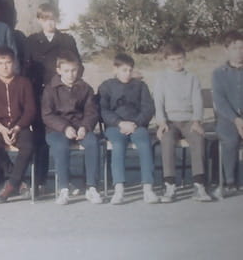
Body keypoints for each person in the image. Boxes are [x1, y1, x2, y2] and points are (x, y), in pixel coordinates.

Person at [23, 3, 80, 189]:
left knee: (63, 136)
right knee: (40, 138)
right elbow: (26, 70)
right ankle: (39, 181)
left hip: (62, 96)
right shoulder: (31, 41)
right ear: (39, 20)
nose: (49, 23)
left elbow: (78, 67)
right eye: (45, 19)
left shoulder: (67, 40)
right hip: (39, 95)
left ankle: (65, 180)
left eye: (53, 19)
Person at [154, 42, 212, 202]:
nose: (177, 63)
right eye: (172, 59)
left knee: (198, 138)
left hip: (188, 121)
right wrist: (161, 123)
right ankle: (170, 185)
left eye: (180, 58)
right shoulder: (162, 78)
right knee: (166, 140)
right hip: (170, 122)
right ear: (166, 60)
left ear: (185, 58)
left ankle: (199, 185)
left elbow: (197, 101)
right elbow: (158, 103)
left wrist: (197, 121)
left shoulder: (192, 78)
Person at [42, 51, 101, 206]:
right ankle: (64, 188)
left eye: (74, 70)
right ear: (59, 70)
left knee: (92, 142)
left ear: (78, 69)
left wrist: (85, 127)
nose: (71, 74)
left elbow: (91, 112)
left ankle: (91, 187)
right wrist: (64, 128)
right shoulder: (50, 89)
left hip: (80, 127)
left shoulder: (85, 88)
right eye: (66, 71)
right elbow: (47, 115)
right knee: (61, 146)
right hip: (56, 130)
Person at [98, 53, 158, 205]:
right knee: (118, 145)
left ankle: (148, 188)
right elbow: (103, 110)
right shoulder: (106, 86)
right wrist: (119, 123)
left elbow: (148, 109)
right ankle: (119, 189)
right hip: (115, 127)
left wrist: (135, 123)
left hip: (137, 125)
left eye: (130, 70)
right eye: (124, 70)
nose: (127, 73)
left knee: (144, 143)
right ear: (115, 69)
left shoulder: (140, 86)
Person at [0, 47, 36, 203]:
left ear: (14, 63)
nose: (5, 67)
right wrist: (2, 129)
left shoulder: (24, 83)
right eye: (1, 63)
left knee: (28, 146)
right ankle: (18, 181)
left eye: (8, 63)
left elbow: (30, 110)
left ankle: (10, 186)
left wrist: (18, 127)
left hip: (20, 126)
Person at [212, 30, 243, 199]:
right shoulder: (218, 73)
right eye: (234, 48)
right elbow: (220, 101)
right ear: (227, 50)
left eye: (242, 48)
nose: (239, 52)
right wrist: (236, 119)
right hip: (227, 119)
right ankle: (229, 182)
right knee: (230, 140)